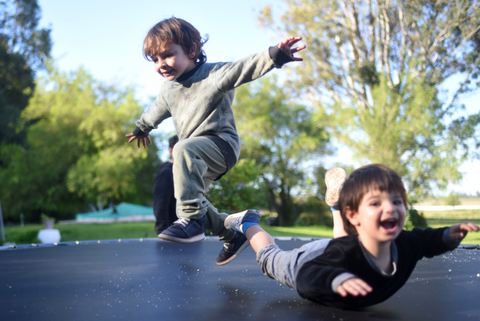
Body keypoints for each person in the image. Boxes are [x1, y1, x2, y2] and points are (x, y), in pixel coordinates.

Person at [125, 17, 306, 266]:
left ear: (192, 50)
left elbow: (244, 67)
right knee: (188, 194)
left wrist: (275, 55)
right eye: (155, 60)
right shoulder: (168, 90)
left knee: (182, 151)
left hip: (221, 145)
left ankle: (191, 223)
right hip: (195, 154)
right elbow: (156, 110)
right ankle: (230, 233)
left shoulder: (212, 75)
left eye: (167, 55)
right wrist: (142, 128)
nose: (161, 65)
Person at [223, 164, 479, 309]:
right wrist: (335, 278)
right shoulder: (339, 258)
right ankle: (248, 224)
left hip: (344, 248)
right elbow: (308, 276)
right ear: (355, 216)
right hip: (312, 261)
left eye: (397, 201)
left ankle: (337, 207)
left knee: (346, 244)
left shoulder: (404, 244)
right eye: (376, 204)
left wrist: (447, 235)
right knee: (269, 257)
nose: (390, 208)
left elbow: (425, 241)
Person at [153, 135, 178, 234]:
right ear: (171, 150)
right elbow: (160, 205)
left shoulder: (187, 173)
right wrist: (164, 233)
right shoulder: (167, 172)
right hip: (174, 235)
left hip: (189, 234)